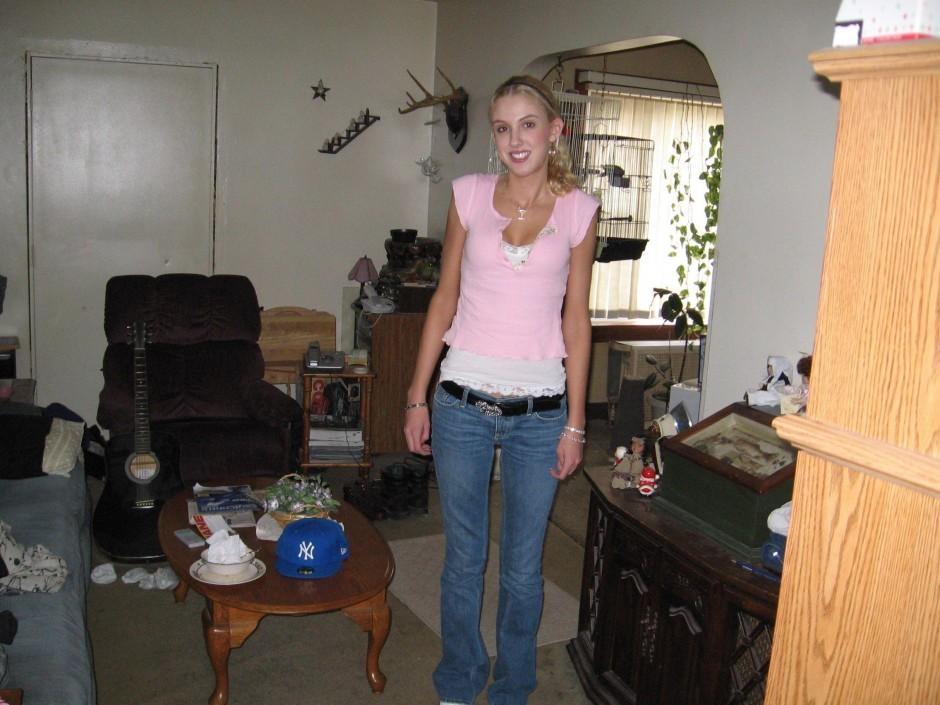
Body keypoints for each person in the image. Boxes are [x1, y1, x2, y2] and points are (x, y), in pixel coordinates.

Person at [403, 75, 598, 705]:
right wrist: (416, 395)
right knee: (463, 558)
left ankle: (513, 686)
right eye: (504, 127)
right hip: (460, 404)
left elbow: (576, 319)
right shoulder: (467, 195)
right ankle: (459, 679)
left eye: (528, 125)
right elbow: (444, 297)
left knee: (522, 566)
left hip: (540, 416)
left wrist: (575, 423)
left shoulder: (579, 210)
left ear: (554, 130)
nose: (516, 139)